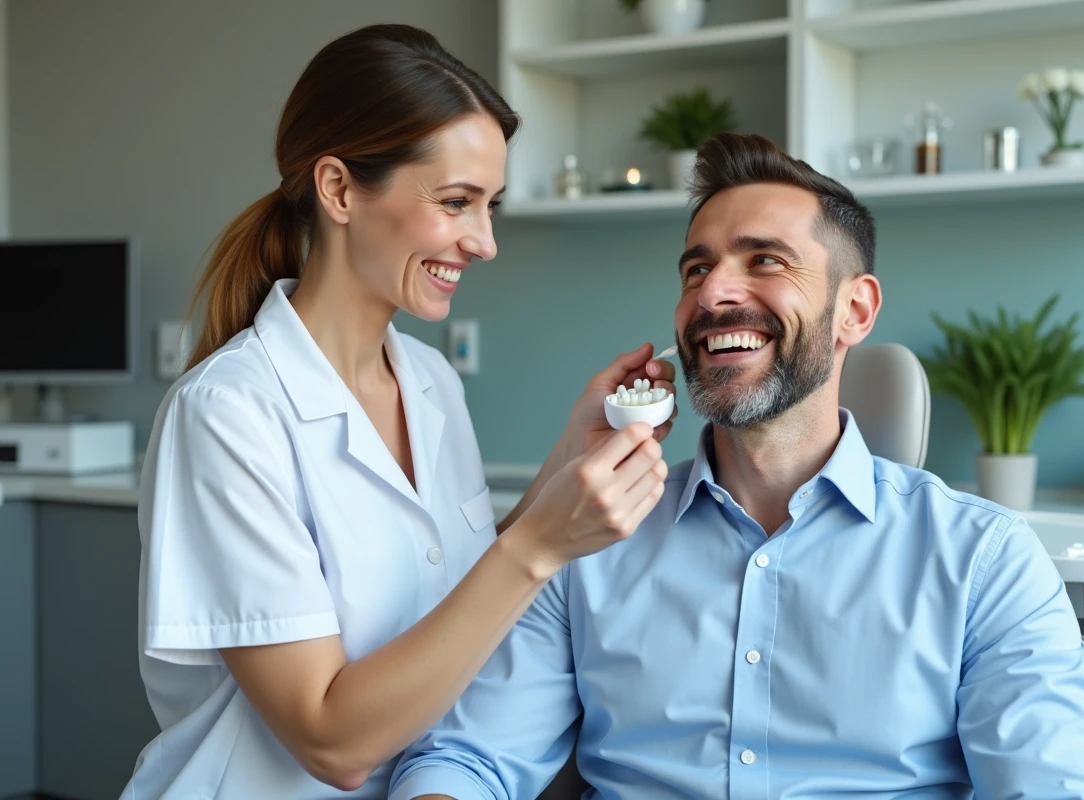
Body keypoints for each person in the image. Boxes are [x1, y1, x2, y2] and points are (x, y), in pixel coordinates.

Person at [389, 133, 1084, 800]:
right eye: (696, 269)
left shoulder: (983, 560)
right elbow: (465, 760)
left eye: (765, 260)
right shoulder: (589, 545)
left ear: (855, 311)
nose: (712, 293)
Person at [121, 24, 676, 800]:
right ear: (340, 189)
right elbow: (332, 741)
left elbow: (452, 594)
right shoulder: (227, 413)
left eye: (490, 206)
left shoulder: (427, 379)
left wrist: (567, 462)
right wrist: (540, 548)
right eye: (456, 202)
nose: (483, 241)